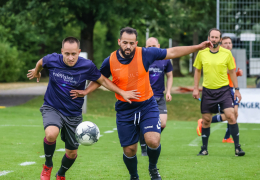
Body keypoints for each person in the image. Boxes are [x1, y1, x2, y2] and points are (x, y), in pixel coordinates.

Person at [70, 27, 212, 180]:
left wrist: (198, 47)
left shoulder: (146, 53)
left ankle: (152, 168)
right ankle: (134, 176)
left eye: (131, 43)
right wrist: (85, 91)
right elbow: (100, 78)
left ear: (136, 43)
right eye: (125, 42)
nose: (128, 46)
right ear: (119, 42)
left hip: (147, 105)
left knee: (153, 140)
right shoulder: (110, 60)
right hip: (125, 109)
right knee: (130, 150)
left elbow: (172, 52)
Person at [27, 37, 140, 180]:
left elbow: (103, 80)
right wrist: (37, 70)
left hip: (73, 114)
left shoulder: (87, 66)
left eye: (73, 54)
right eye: (67, 54)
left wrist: (119, 92)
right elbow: (42, 62)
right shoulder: (52, 59)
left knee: (72, 153)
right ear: (62, 51)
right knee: (51, 134)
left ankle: (61, 174)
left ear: (79, 52)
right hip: (52, 106)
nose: (70, 57)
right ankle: (48, 166)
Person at [193, 28, 245, 157]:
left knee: (231, 116)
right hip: (207, 91)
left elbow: (232, 72)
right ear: (208, 38)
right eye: (212, 37)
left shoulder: (226, 54)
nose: (214, 39)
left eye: (217, 37)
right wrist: (195, 88)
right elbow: (198, 71)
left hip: (224, 90)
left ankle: (238, 148)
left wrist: (237, 90)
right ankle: (204, 149)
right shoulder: (202, 52)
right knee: (206, 120)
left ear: (220, 40)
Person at [139, 37, 173, 156]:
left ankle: (150, 137)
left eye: (153, 46)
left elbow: (169, 76)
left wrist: (168, 91)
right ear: (145, 47)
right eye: (149, 47)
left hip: (160, 96)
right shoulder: (142, 59)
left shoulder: (165, 59)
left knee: (163, 123)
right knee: (143, 122)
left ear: (158, 46)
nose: (151, 49)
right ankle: (144, 147)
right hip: (145, 97)